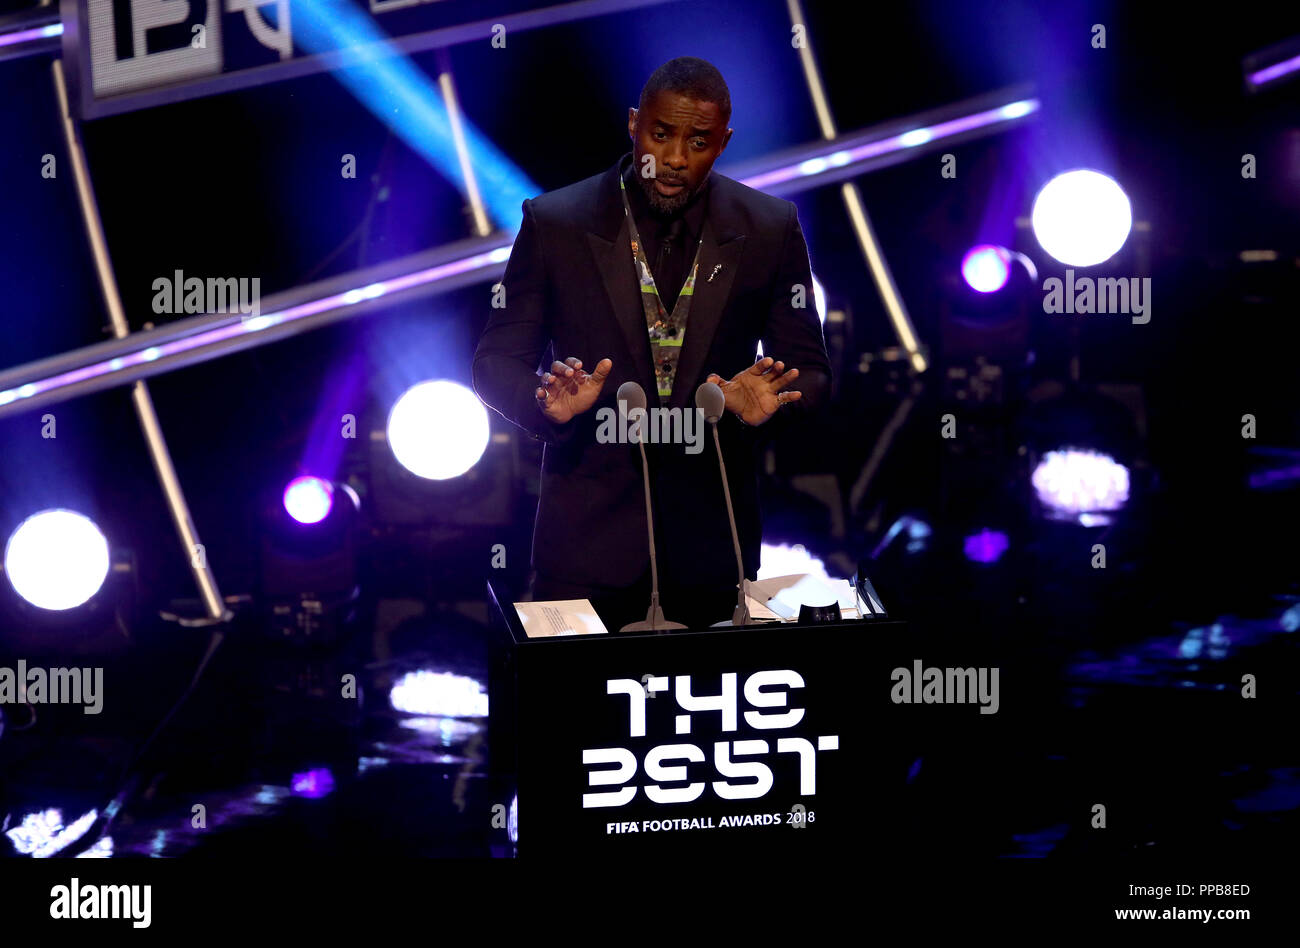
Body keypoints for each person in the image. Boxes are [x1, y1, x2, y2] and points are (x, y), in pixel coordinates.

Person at [473, 56, 831, 631]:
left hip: (715, 552)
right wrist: (544, 402)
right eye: (660, 135)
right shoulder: (556, 222)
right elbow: (495, 361)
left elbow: (810, 372)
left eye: (698, 140)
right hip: (582, 552)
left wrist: (765, 404)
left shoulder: (769, 227)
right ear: (635, 124)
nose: (673, 158)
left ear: (723, 143)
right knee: (573, 718)